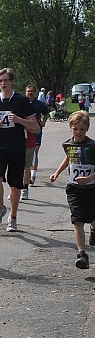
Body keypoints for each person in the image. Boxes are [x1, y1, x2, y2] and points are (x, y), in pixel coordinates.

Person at [0, 68, 40, 231]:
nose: (3, 83)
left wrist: (19, 120)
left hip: (17, 147)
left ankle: (13, 217)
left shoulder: (22, 101)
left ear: (12, 82)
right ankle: (0, 208)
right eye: (0, 81)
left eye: (5, 80)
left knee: (15, 185)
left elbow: (35, 127)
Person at [49, 111, 95, 270]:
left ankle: (94, 229)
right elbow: (69, 157)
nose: (78, 132)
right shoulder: (68, 145)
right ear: (71, 128)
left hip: (91, 188)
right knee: (78, 220)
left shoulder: (92, 146)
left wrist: (88, 179)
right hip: (74, 188)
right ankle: (81, 253)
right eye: (75, 129)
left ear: (87, 129)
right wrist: (57, 172)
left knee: (91, 216)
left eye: (82, 129)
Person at [25, 84, 49, 192]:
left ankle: (33, 175)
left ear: (35, 93)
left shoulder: (39, 104)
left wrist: (43, 121)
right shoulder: (22, 103)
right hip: (25, 132)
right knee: (26, 154)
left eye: (32, 91)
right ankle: (27, 173)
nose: (30, 93)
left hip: (36, 131)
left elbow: (46, 113)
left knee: (34, 152)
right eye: (28, 91)